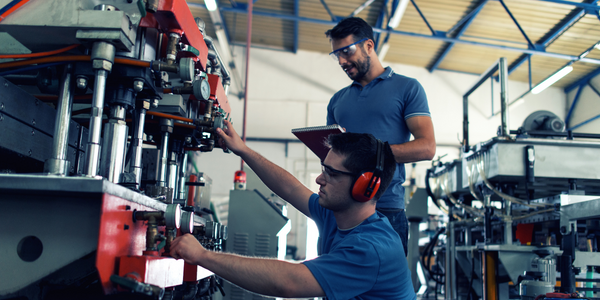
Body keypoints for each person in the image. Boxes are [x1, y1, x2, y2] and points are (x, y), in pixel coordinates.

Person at [171, 119, 416, 300]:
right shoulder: (337, 214)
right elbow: (290, 188)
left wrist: (202, 256)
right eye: (323, 169)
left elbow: (289, 283)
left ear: (365, 187)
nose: (320, 179)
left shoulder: (372, 248)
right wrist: (243, 150)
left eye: (331, 173)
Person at [325, 17, 436, 256]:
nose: (342, 61)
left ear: (369, 46)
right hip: (341, 211)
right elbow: (329, 154)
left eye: (347, 51)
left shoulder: (407, 88)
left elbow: (426, 148)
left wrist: (368, 156)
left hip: (386, 210)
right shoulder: (337, 101)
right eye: (337, 55)